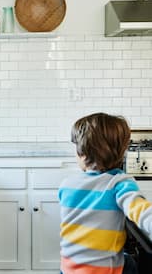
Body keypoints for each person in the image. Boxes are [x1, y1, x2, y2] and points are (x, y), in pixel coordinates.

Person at [58, 112, 152, 274]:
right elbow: (142, 213)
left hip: (68, 268)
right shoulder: (119, 183)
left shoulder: (67, 185)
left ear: (82, 152)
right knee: (131, 263)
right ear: (121, 151)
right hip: (101, 270)